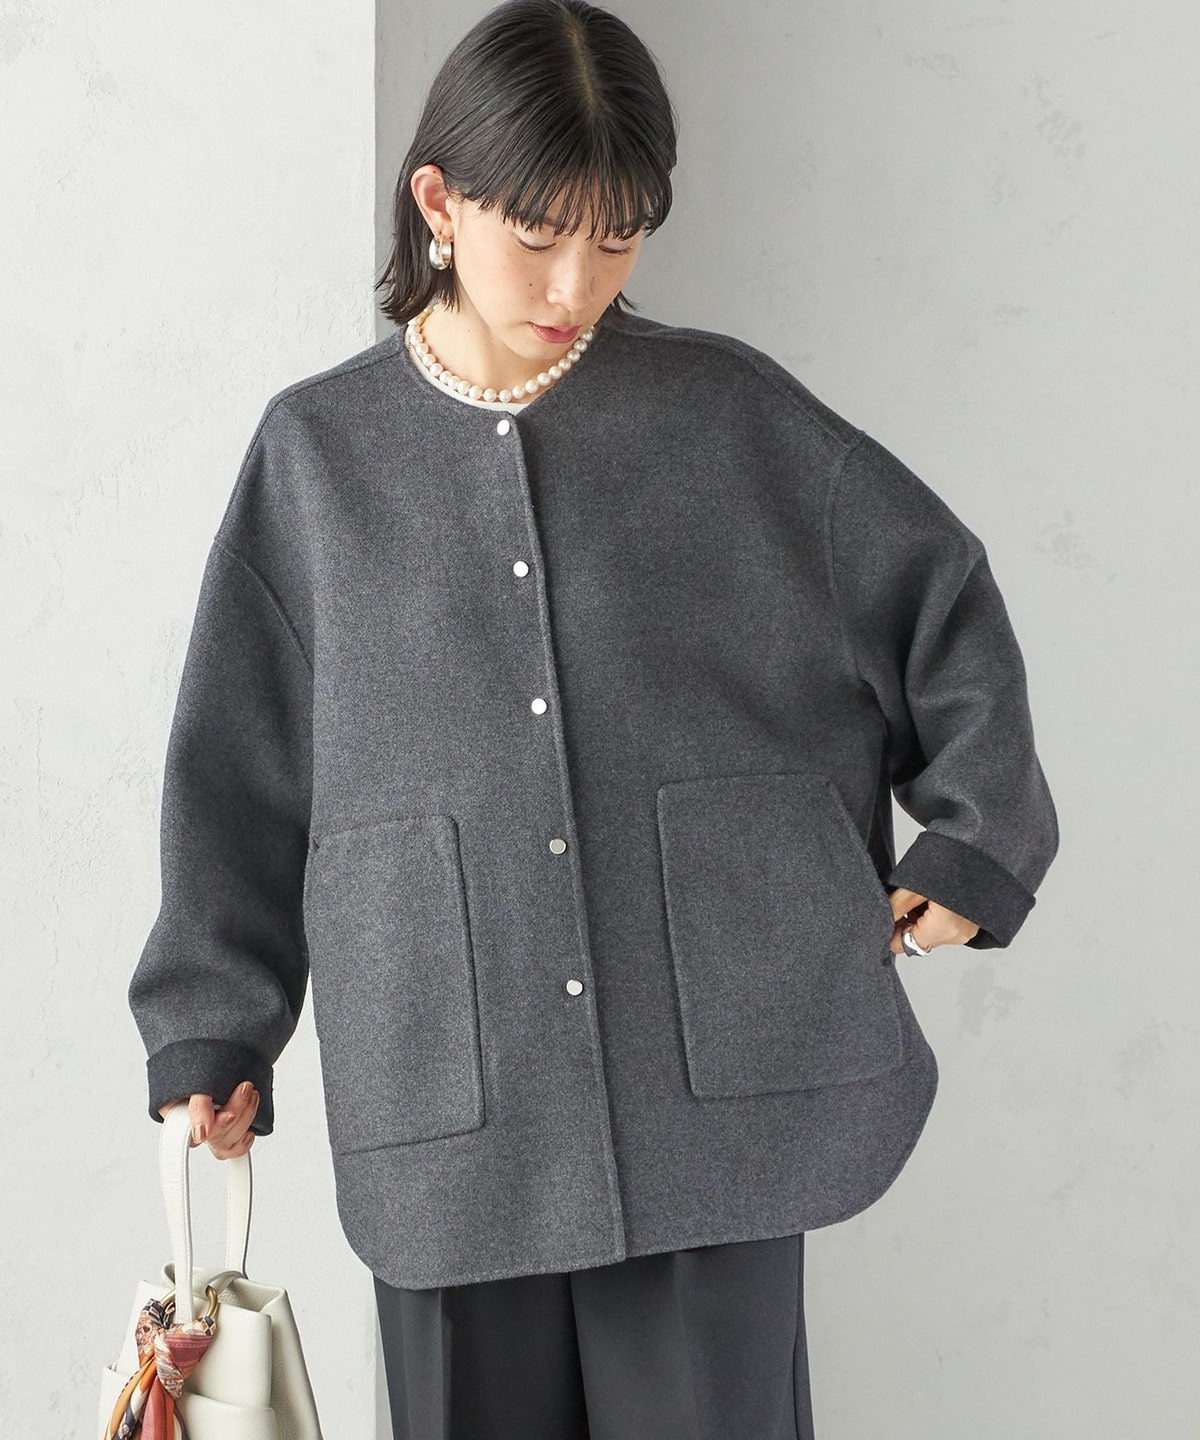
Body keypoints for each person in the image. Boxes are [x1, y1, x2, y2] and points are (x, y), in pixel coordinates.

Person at [129, 1, 1060, 1436]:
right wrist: (214, 1027)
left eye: (620, 238)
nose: (579, 281)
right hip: (450, 1104)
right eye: (540, 234)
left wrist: (976, 841)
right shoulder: (315, 459)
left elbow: (938, 597)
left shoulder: (729, 416)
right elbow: (236, 769)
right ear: (438, 202)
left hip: (716, 1095)